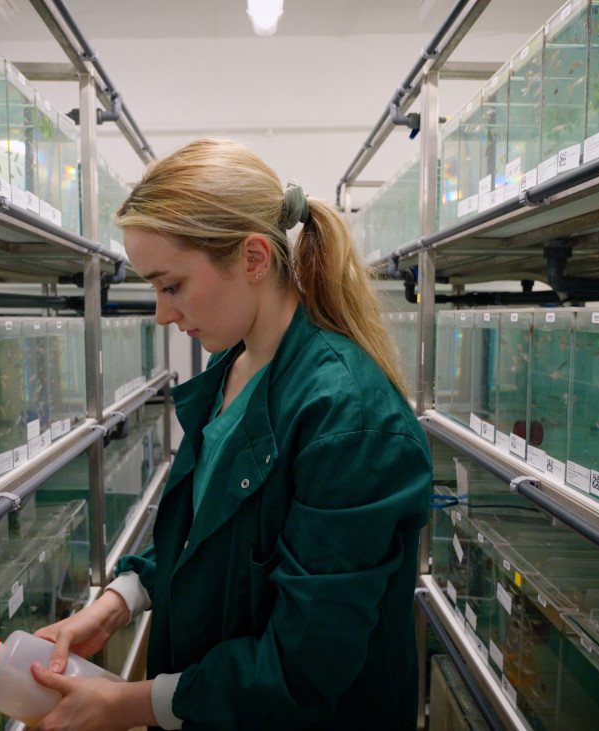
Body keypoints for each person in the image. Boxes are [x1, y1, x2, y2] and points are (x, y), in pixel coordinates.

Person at [28, 138, 433, 730]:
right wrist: (120, 602)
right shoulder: (233, 366)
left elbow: (305, 666)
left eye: (170, 286)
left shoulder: (350, 422)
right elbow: (212, 531)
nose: (163, 315)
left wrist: (126, 704)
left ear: (253, 259)